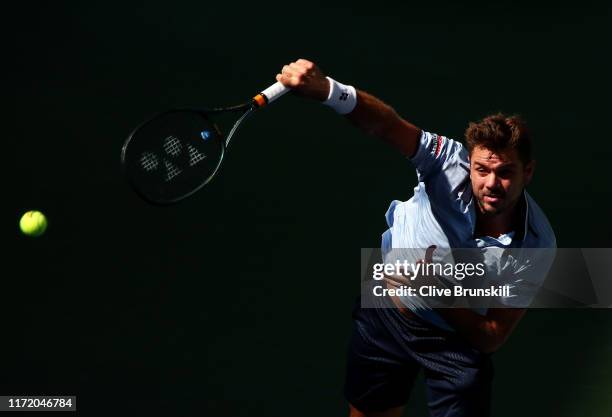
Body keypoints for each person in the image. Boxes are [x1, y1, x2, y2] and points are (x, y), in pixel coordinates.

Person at [275, 59, 556, 417]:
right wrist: (329, 90)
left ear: (527, 172)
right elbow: (387, 126)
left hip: (456, 341)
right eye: (481, 170)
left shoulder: (536, 244)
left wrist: (434, 291)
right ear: (469, 164)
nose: (490, 184)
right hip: (386, 313)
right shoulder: (446, 161)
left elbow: (491, 335)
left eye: (505, 173)